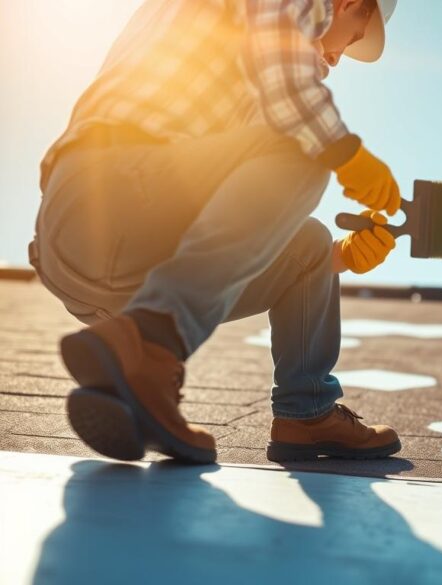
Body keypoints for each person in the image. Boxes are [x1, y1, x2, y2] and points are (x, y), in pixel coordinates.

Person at [28, 0, 403, 465]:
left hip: (83, 259)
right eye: (349, 39)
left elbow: (236, 217)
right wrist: (345, 153)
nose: (335, 58)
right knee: (306, 153)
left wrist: (335, 260)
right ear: (348, 4)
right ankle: (150, 348)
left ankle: (304, 416)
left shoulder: (233, 61)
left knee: (307, 245)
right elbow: (288, 88)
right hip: (114, 191)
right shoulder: (289, 23)